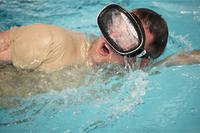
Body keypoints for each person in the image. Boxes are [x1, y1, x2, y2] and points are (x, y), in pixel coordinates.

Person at [0, 4, 198, 73]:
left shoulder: (119, 73)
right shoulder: (49, 41)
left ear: (139, 63)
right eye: (118, 24)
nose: (113, 35)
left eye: (128, 38)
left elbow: (170, 62)